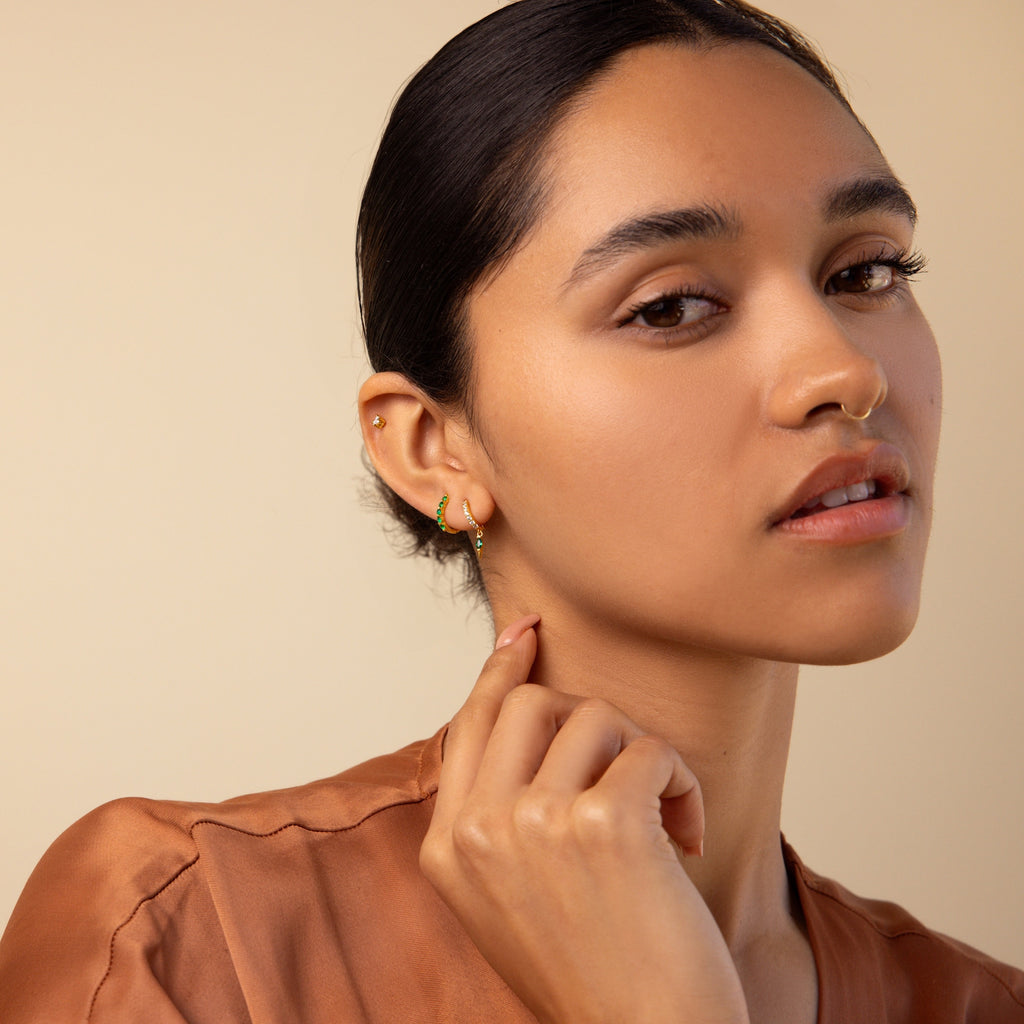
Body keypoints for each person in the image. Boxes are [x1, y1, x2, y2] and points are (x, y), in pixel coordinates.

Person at [0, 0, 1021, 1021]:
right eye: (669, 306)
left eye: (866, 272)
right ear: (433, 447)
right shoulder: (190, 941)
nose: (843, 371)